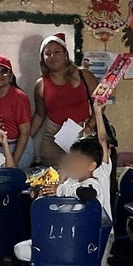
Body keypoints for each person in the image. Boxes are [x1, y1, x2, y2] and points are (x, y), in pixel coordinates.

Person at [0, 137, 131, 266]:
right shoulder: (71, 182)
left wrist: (60, 189)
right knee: (31, 251)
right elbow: (58, 198)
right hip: (67, 240)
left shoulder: (92, 184)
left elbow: (86, 194)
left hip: (84, 244)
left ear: (91, 166)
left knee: (42, 256)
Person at [33, 35, 94, 167]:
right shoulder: (41, 84)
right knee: (54, 177)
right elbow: (39, 114)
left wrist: (90, 126)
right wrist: (26, 139)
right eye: (47, 53)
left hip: (83, 135)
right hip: (53, 140)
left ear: (65, 54)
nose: (52, 56)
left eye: (57, 52)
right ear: (43, 58)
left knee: (82, 174)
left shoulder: (84, 75)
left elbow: (100, 104)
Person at [0, 54, 34, 168]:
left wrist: (14, 160)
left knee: (14, 177)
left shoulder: (19, 97)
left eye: (4, 71)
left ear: (11, 75)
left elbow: (25, 132)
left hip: (17, 147)